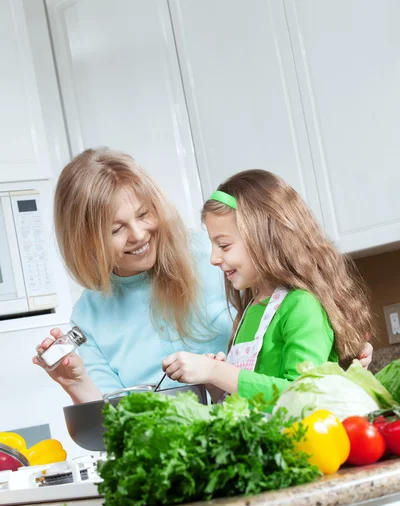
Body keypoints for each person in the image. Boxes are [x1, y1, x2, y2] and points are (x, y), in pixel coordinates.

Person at [33, 148, 232, 404]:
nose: (138, 234)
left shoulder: (214, 254)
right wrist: (76, 383)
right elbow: (112, 422)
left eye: (143, 214)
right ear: (85, 241)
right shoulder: (89, 317)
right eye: (116, 229)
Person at [162, 169, 373, 405]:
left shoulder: (302, 305)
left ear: (265, 238)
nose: (213, 258)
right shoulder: (251, 308)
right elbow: (249, 399)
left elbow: (303, 395)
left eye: (224, 245)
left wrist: (216, 371)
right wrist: (216, 384)